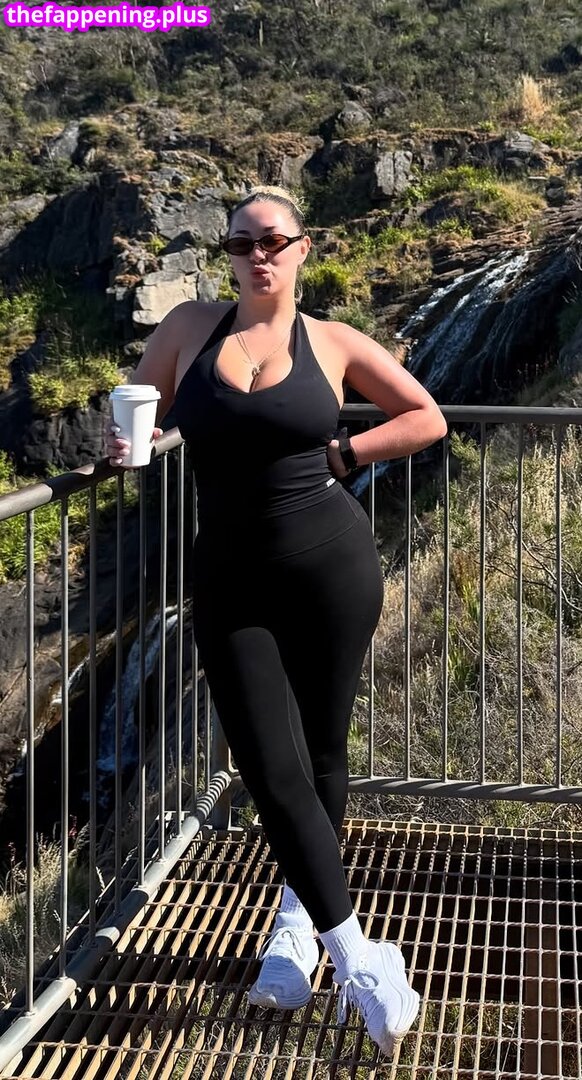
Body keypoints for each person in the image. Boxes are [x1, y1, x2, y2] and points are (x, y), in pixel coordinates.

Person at [107, 184, 446, 1056]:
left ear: (301, 249)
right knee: (267, 763)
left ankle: (297, 927)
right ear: (226, 253)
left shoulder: (332, 341)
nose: (257, 254)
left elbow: (426, 417)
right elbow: (136, 416)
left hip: (332, 569)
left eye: (272, 241)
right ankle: (360, 958)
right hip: (229, 578)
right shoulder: (187, 329)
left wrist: (350, 449)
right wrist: (120, 449)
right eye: (241, 242)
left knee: (321, 752)